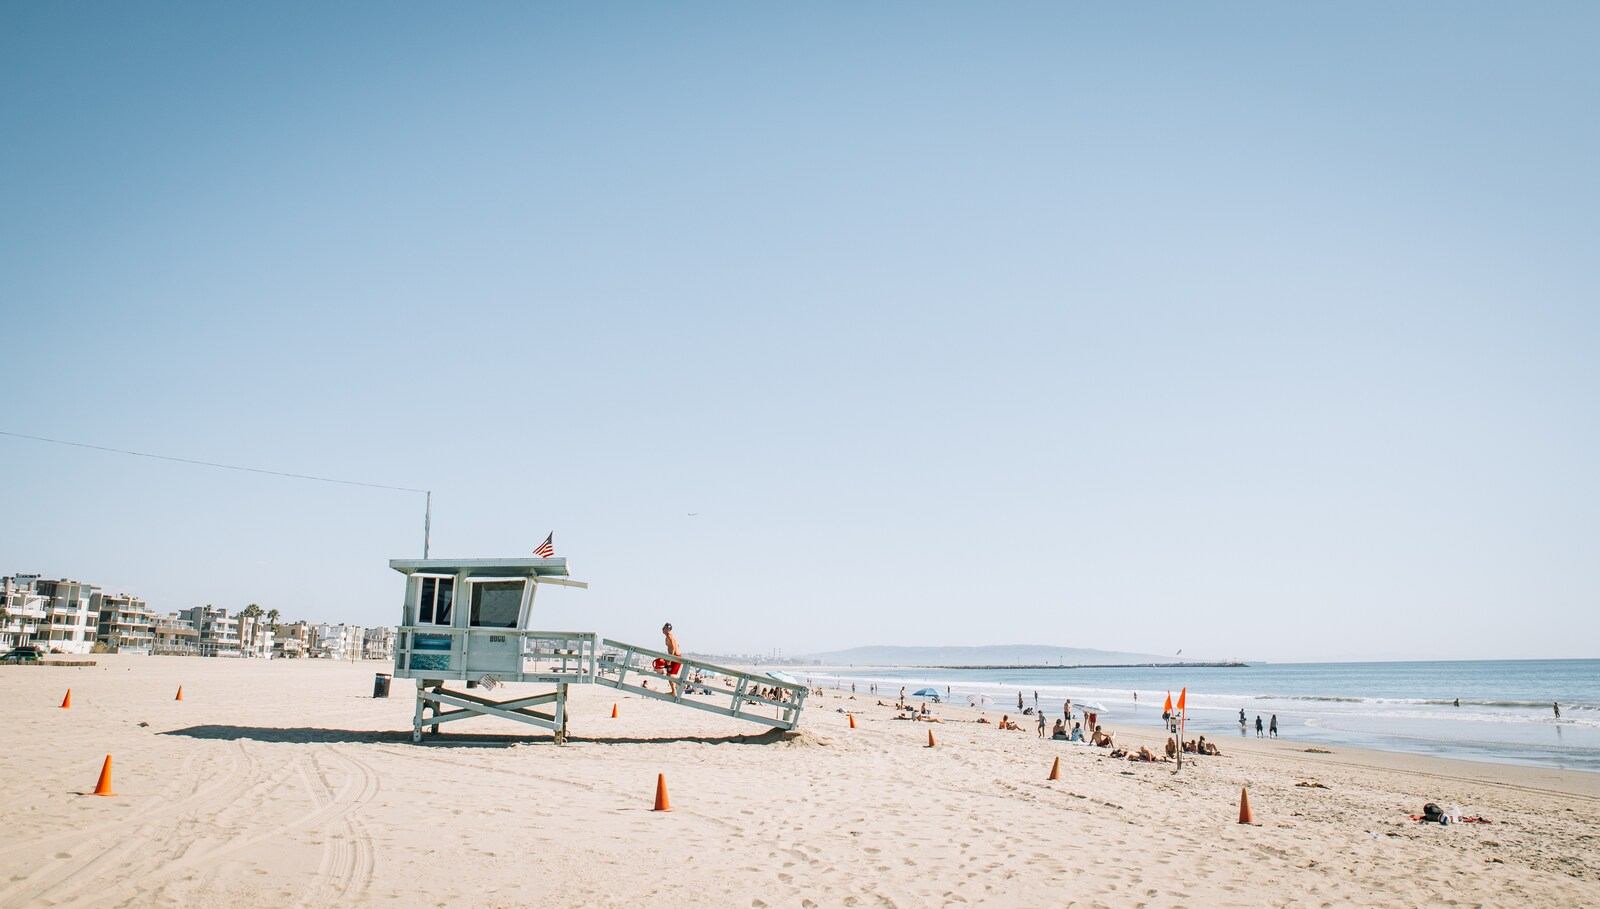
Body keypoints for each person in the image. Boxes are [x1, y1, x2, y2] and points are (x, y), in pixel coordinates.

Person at [661, 623, 683, 696]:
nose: (663, 629)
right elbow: (673, 647)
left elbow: (673, 647)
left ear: (667, 629)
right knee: (669, 674)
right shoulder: (667, 636)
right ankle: (675, 689)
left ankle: (677, 687)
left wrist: (670, 659)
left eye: (664, 628)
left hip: (675, 657)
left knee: (669, 675)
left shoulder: (670, 636)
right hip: (674, 656)